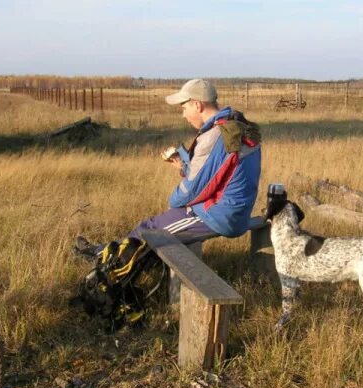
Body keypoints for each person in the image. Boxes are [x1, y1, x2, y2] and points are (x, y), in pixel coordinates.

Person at [74, 78, 262, 259]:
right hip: (235, 213)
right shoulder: (235, 126)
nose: (183, 115)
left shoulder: (214, 137)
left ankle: (99, 256)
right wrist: (183, 166)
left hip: (218, 216)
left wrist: (173, 202)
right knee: (155, 227)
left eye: (184, 107)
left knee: (149, 231)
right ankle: (106, 253)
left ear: (197, 105)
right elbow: (219, 175)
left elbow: (193, 189)